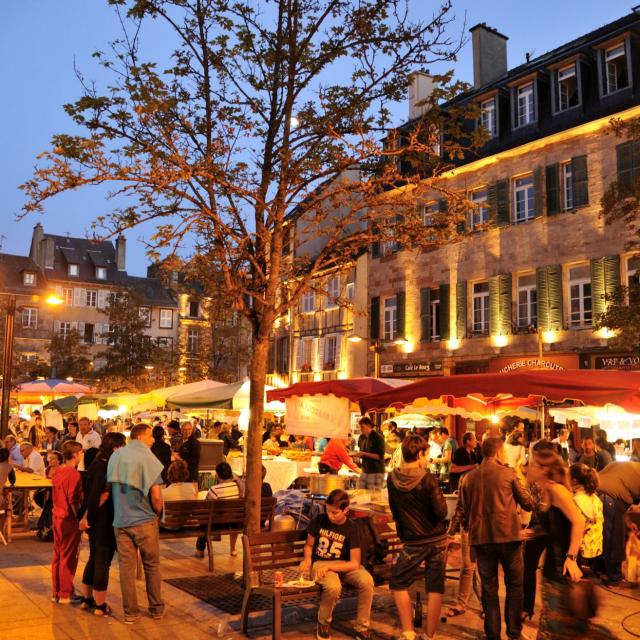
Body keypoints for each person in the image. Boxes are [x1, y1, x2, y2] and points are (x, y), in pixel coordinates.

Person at [528, 447, 612, 640]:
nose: (528, 466)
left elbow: (578, 521)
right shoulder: (547, 489)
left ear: (543, 468)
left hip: (562, 569)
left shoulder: (557, 490)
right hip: (551, 566)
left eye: (532, 463)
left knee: (562, 625)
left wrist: (572, 558)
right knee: (552, 623)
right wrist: (532, 532)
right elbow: (556, 525)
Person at [458, 437, 533, 640]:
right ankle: (514, 633)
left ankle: (493, 635)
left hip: (481, 539)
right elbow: (527, 503)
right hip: (509, 537)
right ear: (499, 452)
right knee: (515, 585)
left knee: (489, 589)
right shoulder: (508, 474)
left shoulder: (467, 478)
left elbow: (461, 513)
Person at [387, 434, 448, 640]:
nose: (427, 457)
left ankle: (408, 632)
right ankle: (429, 636)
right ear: (420, 453)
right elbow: (441, 513)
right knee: (434, 587)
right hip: (437, 540)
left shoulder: (392, 478)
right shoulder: (428, 478)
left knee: (398, 582)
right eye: (426, 453)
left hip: (412, 540)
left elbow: (395, 510)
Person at [107, 423, 165, 623]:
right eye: (151, 436)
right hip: (144, 520)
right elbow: (157, 497)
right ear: (141, 437)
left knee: (126, 568)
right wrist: (158, 513)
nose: (154, 439)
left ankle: (130, 613)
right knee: (152, 565)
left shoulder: (117, 455)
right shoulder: (148, 458)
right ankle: (156, 608)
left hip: (121, 520)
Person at [300, 488, 374, 640]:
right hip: (321, 563)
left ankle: (362, 628)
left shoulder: (352, 528)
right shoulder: (319, 520)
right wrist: (307, 559)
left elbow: (354, 563)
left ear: (346, 510)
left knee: (367, 581)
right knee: (333, 587)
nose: (330, 515)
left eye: (335, 512)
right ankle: (323, 623)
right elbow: (308, 545)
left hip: (344, 565)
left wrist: (331, 566)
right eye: (328, 511)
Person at [78, 432, 127, 616]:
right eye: (122, 446)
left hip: (93, 520)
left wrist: (85, 516)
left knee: (93, 557)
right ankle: (100, 606)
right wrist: (88, 517)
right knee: (102, 561)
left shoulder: (96, 464)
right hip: (104, 519)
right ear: (115, 447)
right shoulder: (109, 466)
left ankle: (86, 599)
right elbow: (103, 495)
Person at [596, 461, 640, 587]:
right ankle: (614, 578)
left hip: (598, 495)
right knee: (615, 540)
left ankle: (601, 570)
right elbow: (620, 494)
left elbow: (622, 491)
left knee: (603, 537)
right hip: (610, 499)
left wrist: (628, 521)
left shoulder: (631, 466)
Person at [51, 441, 84, 604]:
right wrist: (80, 518)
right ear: (76, 454)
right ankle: (65, 593)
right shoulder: (73, 474)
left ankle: (57, 591)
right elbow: (73, 500)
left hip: (56, 515)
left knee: (58, 555)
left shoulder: (57, 471)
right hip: (68, 520)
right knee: (68, 557)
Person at [195, 462, 241, 558]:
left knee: (204, 519)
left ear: (218, 475)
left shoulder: (214, 489)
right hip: (235, 522)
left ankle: (200, 550)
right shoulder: (238, 487)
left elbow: (205, 506)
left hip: (217, 523)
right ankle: (233, 549)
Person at [569, 463, 603, 568]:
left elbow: (577, 528)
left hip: (581, 551)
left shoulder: (577, 501)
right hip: (594, 547)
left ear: (574, 481)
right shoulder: (594, 497)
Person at [351, 417, 386, 490]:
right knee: (361, 493)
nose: (361, 429)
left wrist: (363, 454)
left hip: (376, 472)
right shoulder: (362, 437)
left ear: (369, 425)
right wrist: (355, 454)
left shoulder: (378, 438)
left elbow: (379, 456)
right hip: (365, 470)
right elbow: (362, 453)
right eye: (360, 427)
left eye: (362, 427)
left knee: (373, 495)